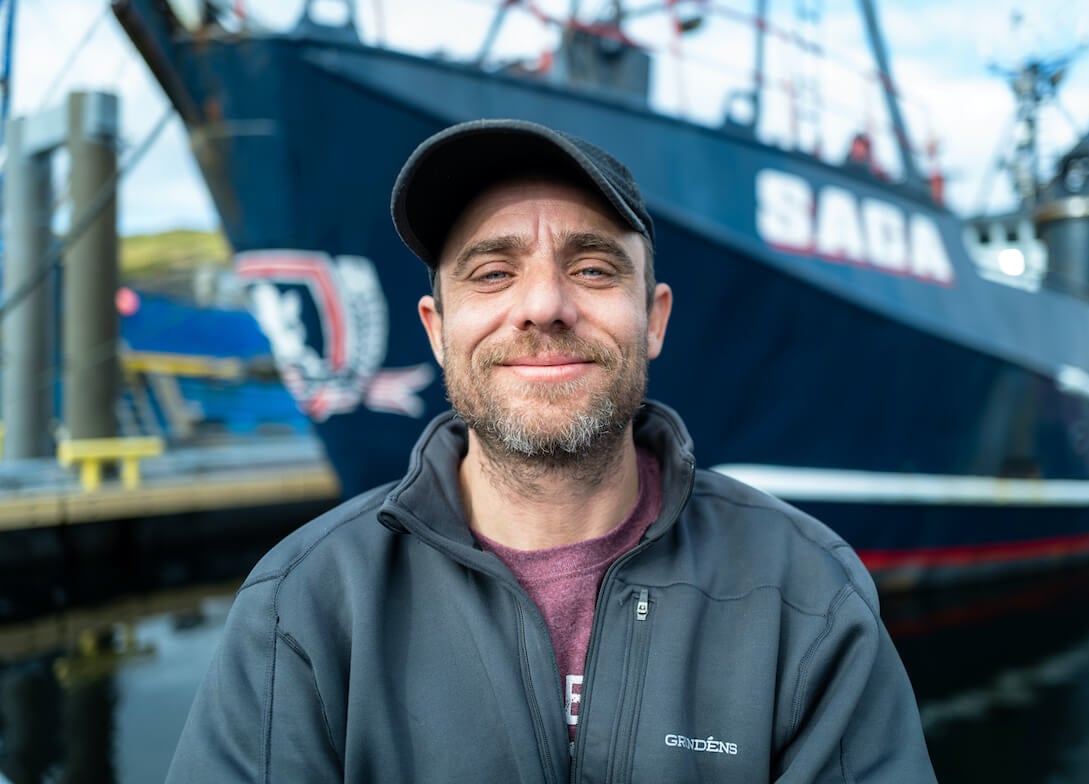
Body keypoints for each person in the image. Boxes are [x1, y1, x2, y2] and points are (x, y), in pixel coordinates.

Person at [166, 118, 937, 782]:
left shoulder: (809, 594)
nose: (542, 306)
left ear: (654, 318)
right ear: (437, 330)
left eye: (593, 269)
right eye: (494, 272)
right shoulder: (299, 609)